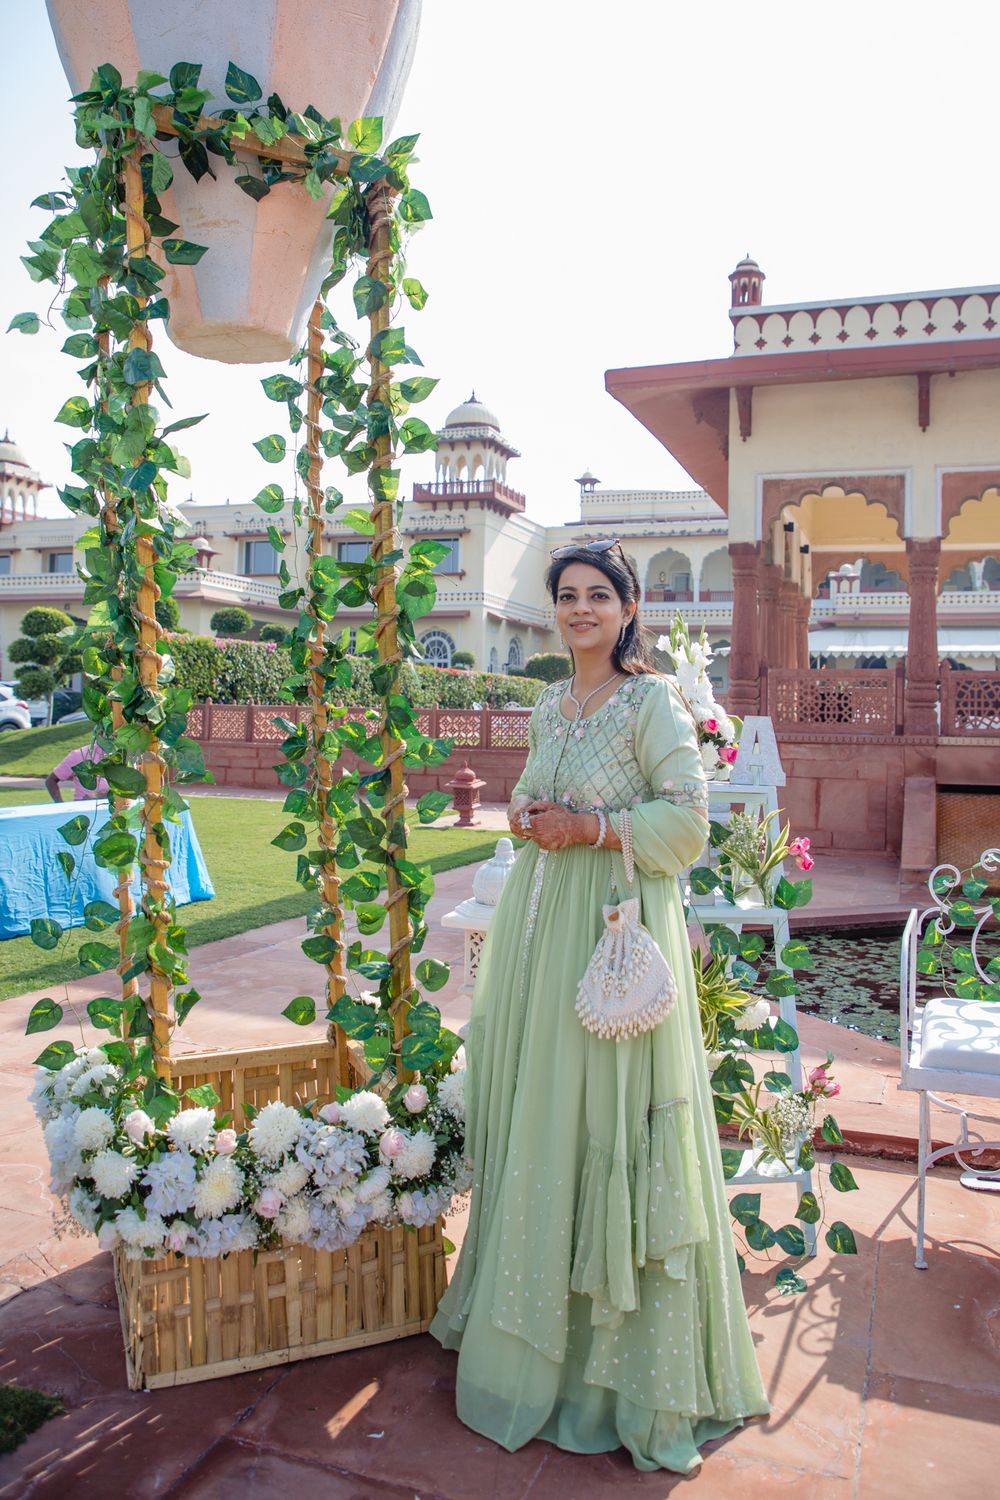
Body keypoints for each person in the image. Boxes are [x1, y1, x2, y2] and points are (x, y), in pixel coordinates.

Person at [430, 541, 769, 1473]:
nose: (580, 609)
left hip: (616, 941)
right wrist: (529, 816)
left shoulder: (650, 701)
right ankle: (530, 1345)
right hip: (545, 936)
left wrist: (594, 828)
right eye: (566, 596)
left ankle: (612, 1378)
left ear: (627, 611)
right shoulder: (549, 701)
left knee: (604, 1118)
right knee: (544, 1115)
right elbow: (533, 792)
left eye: (597, 596)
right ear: (553, 613)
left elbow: (690, 825)